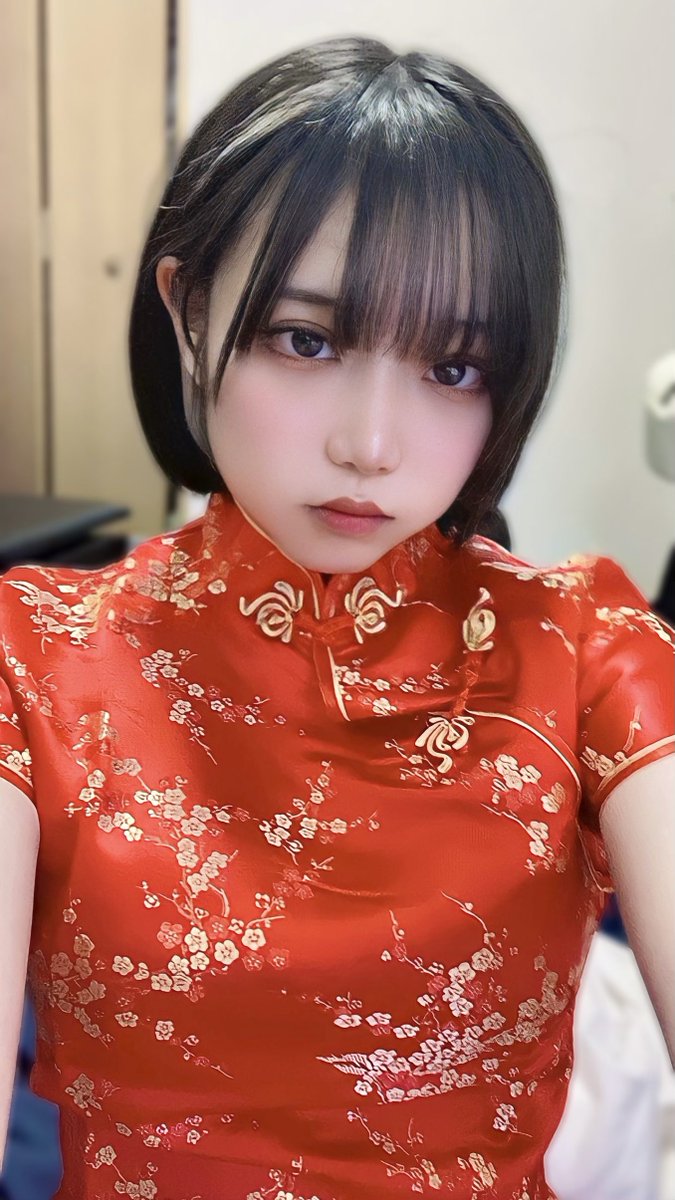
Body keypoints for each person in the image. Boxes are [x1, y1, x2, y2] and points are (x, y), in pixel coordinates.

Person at [0, 34, 673, 1200]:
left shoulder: (584, 650)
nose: (371, 443)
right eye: (306, 340)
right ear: (189, 311)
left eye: (454, 368)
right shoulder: (35, 658)